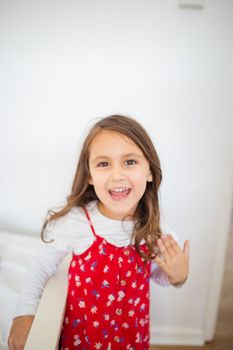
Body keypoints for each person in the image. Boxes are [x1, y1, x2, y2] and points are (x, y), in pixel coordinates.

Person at [8, 114, 189, 350]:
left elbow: (159, 274)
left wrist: (178, 275)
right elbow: (41, 267)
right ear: (91, 176)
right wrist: (24, 314)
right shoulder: (78, 221)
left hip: (131, 337)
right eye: (104, 164)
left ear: (150, 172)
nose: (117, 175)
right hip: (83, 338)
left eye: (130, 162)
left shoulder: (155, 223)